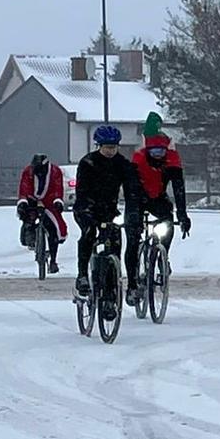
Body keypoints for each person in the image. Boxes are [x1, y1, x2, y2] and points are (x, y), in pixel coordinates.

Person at [73, 124, 141, 320]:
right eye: (107, 147)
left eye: (114, 147)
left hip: (109, 211)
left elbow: (131, 190)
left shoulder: (122, 164)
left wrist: (133, 214)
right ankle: (82, 275)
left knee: (115, 245)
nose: (110, 151)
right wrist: (88, 213)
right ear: (98, 146)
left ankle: (110, 294)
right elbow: (82, 191)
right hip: (86, 208)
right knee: (88, 234)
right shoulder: (88, 163)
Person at [126, 112, 190, 306]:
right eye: (153, 152)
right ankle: (131, 284)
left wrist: (183, 214)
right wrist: (133, 214)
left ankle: (163, 257)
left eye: (160, 152)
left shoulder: (172, 159)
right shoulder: (138, 158)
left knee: (167, 223)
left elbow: (178, 189)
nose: (157, 156)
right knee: (132, 238)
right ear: (147, 150)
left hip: (158, 197)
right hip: (137, 197)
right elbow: (131, 187)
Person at [17, 154, 67, 273]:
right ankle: (30, 235)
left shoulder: (55, 172)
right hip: (31, 200)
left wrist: (57, 201)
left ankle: (53, 260)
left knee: (53, 229)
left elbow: (58, 188)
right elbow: (24, 187)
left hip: (50, 202)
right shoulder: (28, 171)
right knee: (27, 217)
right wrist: (23, 202)